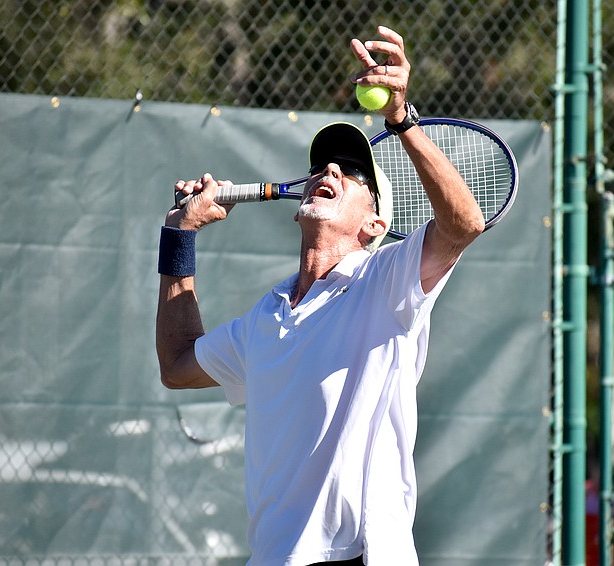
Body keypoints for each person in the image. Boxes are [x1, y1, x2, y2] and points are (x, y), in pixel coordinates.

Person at [155, 25, 484, 566]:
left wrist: (401, 119)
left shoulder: (387, 281)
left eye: (353, 172)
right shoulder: (265, 317)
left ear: (375, 223)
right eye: (323, 166)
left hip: (363, 555)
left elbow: (464, 225)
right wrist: (179, 240)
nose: (330, 169)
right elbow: (178, 363)